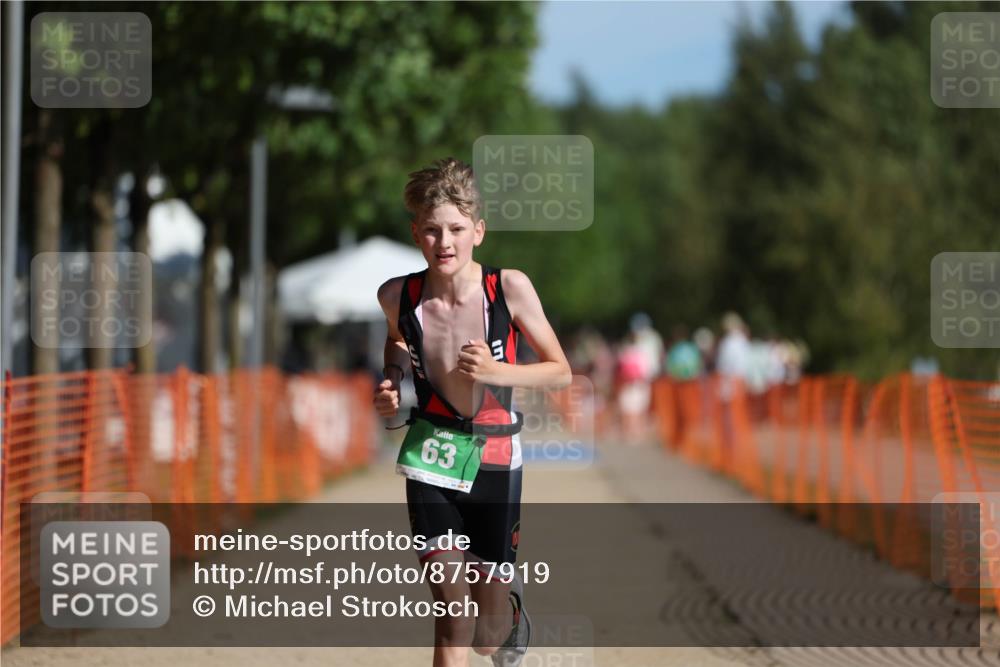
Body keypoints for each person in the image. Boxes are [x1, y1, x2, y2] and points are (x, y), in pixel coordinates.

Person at [374, 158, 572, 667]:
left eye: (457, 229)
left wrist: (496, 371)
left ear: (477, 232)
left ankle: (508, 607)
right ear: (416, 233)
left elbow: (560, 371)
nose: (445, 243)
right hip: (432, 452)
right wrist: (393, 380)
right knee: (451, 616)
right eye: (433, 230)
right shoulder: (398, 296)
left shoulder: (508, 289)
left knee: (486, 636)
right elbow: (397, 341)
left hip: (496, 454)